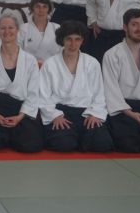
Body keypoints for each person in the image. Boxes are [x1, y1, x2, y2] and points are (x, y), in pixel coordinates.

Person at [40, 20, 114, 152]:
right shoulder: (50, 64)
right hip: (61, 113)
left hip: (86, 113)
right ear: (62, 40)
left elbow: (99, 94)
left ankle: (80, 137)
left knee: (102, 143)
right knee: (64, 144)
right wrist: (54, 115)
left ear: (82, 41)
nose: (73, 44)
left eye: (77, 39)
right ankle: (74, 138)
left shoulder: (92, 63)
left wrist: (95, 114)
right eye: (69, 39)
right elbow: (42, 95)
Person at [0, 15, 43, 152]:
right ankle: (5, 136)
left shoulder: (30, 60)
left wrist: (20, 117)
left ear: (17, 30)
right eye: (2, 28)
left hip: (19, 109)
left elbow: (33, 93)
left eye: (11, 28)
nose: (7, 32)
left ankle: (8, 136)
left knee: (32, 144)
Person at [103, 9, 140, 153]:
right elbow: (111, 89)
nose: (139, 29)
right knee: (129, 145)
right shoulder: (112, 55)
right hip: (124, 109)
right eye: (134, 24)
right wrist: (130, 113)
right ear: (125, 27)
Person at [18, 0, 61, 64]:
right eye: (37, 6)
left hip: (52, 67)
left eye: (45, 7)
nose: (41, 10)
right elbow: (18, 52)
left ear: (49, 10)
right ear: (32, 9)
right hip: (29, 66)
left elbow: (62, 52)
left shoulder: (57, 28)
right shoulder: (23, 29)